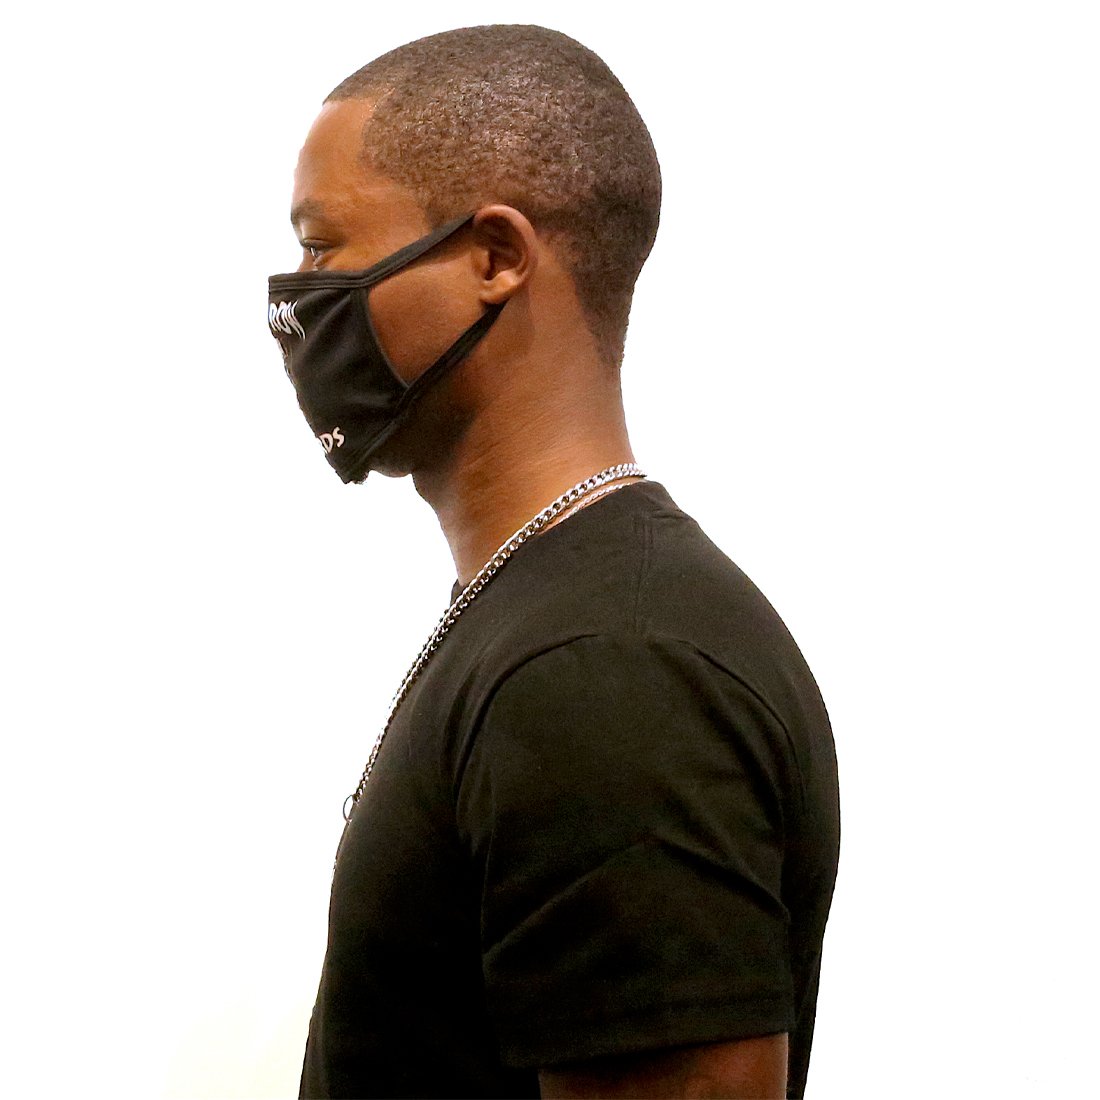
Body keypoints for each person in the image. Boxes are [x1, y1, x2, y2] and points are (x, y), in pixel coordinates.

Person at [267, 24, 840, 1100]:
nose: (293, 300)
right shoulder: (550, 625)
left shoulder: (610, 669)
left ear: (493, 256)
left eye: (322, 247)